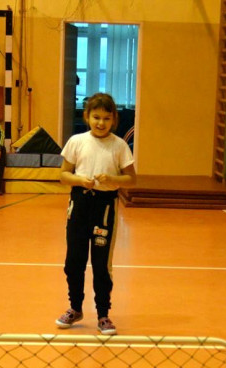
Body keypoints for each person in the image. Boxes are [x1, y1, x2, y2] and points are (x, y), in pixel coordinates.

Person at [54, 92, 136, 336]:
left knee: (101, 264)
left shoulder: (119, 146)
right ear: (87, 116)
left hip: (105, 207)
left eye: (106, 118)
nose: (101, 123)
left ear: (114, 120)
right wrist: (80, 180)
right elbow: (63, 175)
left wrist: (112, 179)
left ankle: (103, 314)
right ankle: (75, 308)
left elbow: (131, 179)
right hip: (79, 204)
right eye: (96, 117)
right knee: (74, 261)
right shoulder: (77, 141)